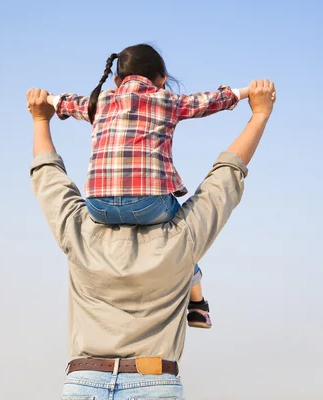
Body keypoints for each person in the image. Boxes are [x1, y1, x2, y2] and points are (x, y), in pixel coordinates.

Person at [27, 78, 276, 399]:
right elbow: (225, 178)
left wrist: (40, 120)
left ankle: (197, 301)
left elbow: (48, 177)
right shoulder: (180, 238)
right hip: (152, 380)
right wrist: (259, 115)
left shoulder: (79, 231)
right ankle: (198, 303)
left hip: (85, 380)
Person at [44, 44, 252, 329]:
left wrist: (46, 98)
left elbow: (64, 103)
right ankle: (197, 305)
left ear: (117, 80)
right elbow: (209, 102)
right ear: (162, 78)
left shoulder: (100, 101)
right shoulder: (166, 100)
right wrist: (246, 92)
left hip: (98, 206)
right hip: (149, 204)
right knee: (185, 236)